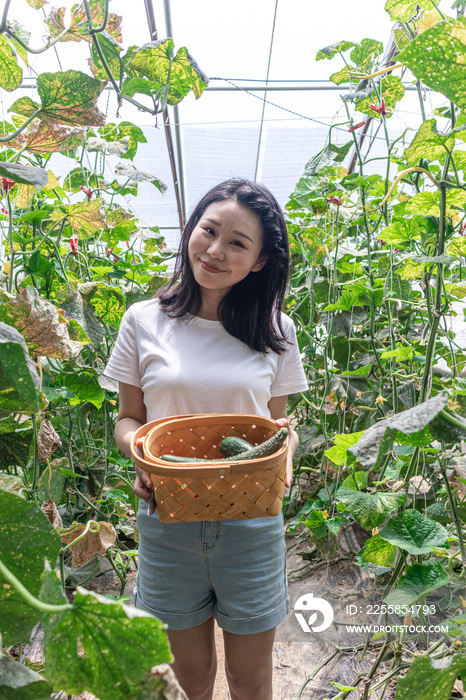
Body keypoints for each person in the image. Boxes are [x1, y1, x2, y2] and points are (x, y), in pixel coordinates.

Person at [104, 178, 308, 700]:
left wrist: (284, 452)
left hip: (251, 525)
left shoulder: (276, 332)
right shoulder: (143, 321)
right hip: (167, 517)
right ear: (191, 229)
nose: (215, 250)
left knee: (250, 680)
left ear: (260, 261)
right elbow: (127, 421)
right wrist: (147, 458)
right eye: (208, 230)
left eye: (238, 243)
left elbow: (275, 429)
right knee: (188, 681)